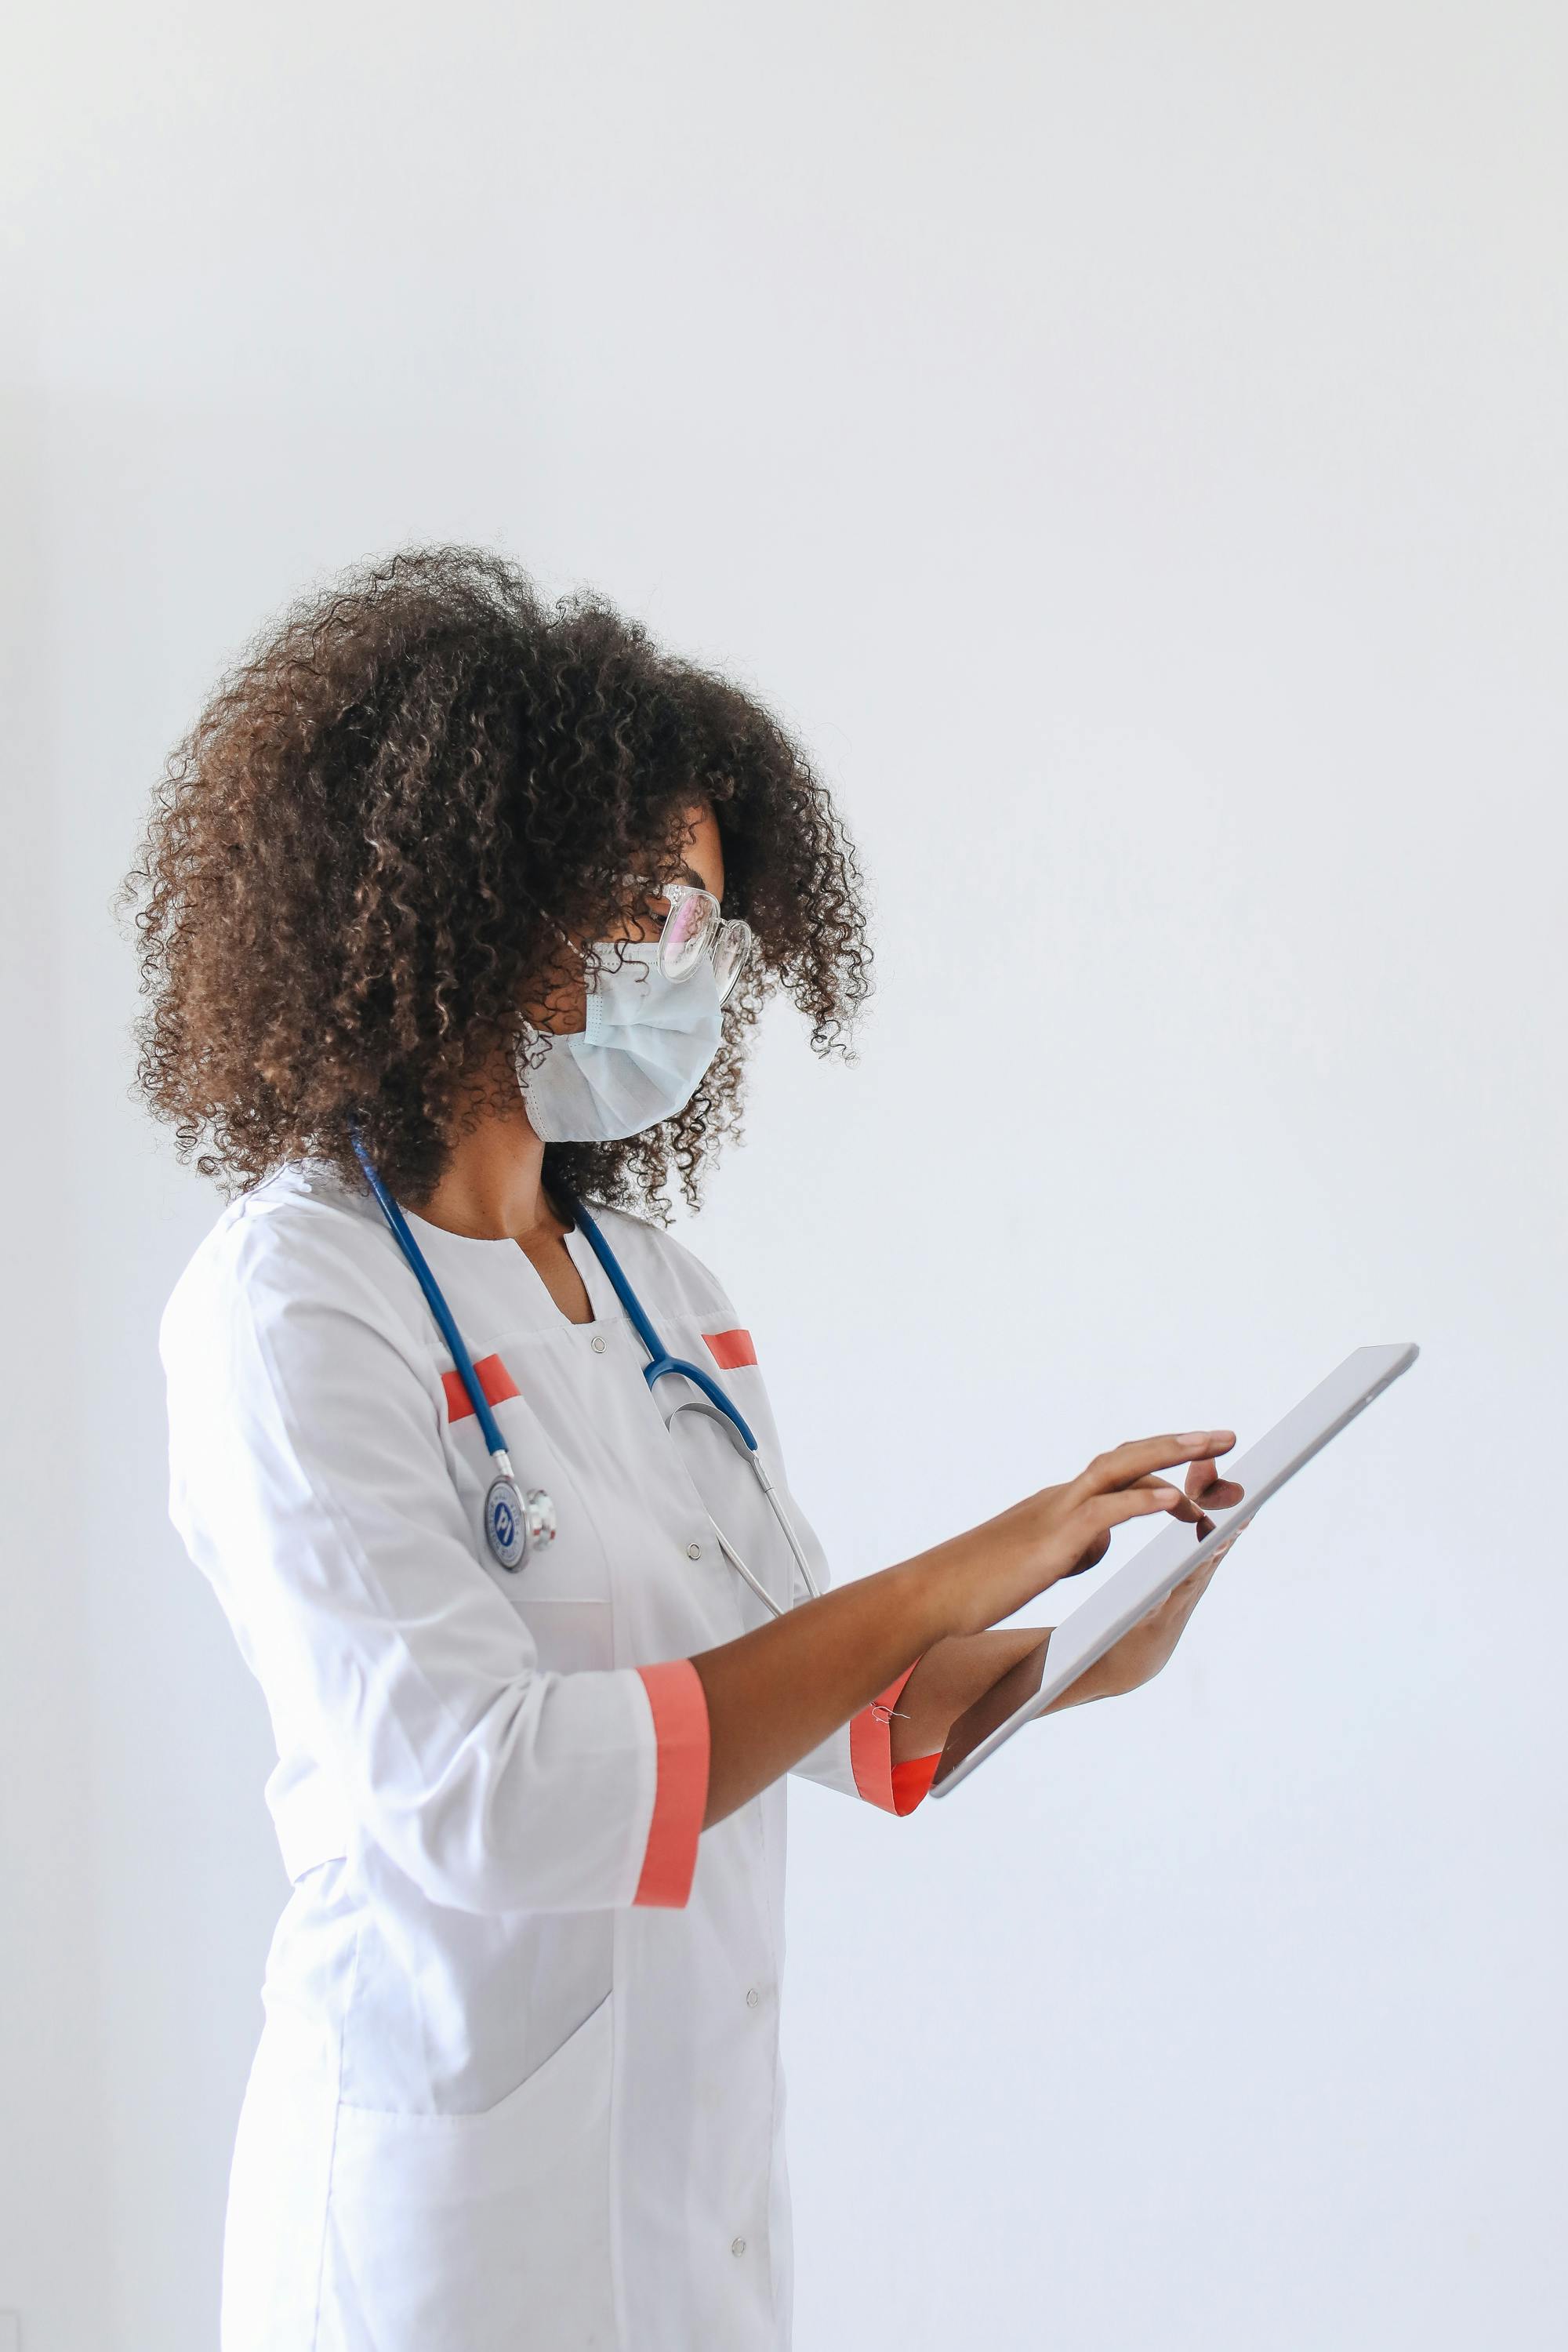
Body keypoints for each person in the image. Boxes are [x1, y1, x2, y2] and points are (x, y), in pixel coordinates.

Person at [126, 547, 1245, 2352]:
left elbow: (837, 1709)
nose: (695, 966)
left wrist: (1073, 1653)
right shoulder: (290, 1302)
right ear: (477, 895)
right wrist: (968, 1559)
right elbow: (488, 1793)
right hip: (447, 2230)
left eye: (714, 923)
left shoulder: (655, 1294)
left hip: (694, 2197)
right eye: (648, 906)